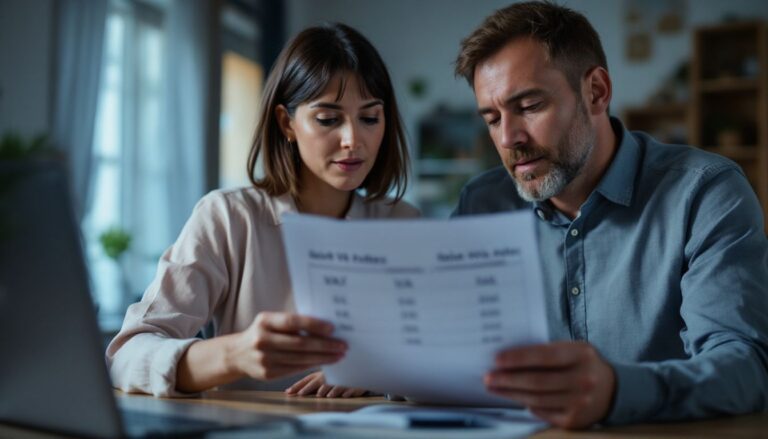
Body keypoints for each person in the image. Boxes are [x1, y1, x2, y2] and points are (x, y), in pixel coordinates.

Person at [452, 1, 768, 429]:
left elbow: (744, 371)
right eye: (491, 118)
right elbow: (444, 349)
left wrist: (617, 391)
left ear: (596, 92)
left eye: (528, 106)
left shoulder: (705, 193)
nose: (509, 138)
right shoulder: (482, 204)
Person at [107, 23, 419, 398]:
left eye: (370, 118)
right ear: (287, 123)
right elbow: (127, 356)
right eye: (328, 119)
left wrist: (383, 371)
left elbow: (446, 357)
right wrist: (236, 354)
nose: (353, 139)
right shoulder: (227, 218)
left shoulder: (404, 225)